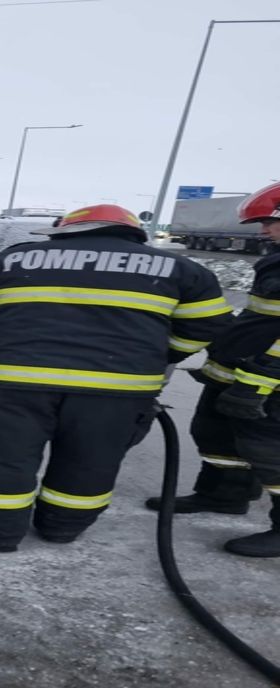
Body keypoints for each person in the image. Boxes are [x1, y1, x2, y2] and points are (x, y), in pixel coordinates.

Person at [0, 204, 232, 552]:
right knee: (90, 460)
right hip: (117, 389)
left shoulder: (16, 259)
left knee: (5, 457)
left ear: (64, 230)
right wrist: (165, 354)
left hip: (18, 382)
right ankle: (62, 528)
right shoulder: (181, 270)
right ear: (134, 233)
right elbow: (210, 326)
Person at [145, 182, 280, 557]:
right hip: (239, 372)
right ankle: (223, 494)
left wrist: (259, 382)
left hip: (267, 381)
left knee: (269, 451)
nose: (263, 230)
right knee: (213, 433)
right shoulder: (276, 259)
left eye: (269, 222)